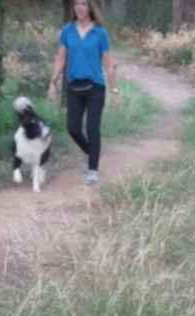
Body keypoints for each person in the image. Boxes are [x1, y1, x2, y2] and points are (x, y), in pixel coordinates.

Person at [48, 0, 119, 185]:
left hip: (95, 88)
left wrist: (115, 90)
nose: (79, 7)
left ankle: (93, 169)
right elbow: (61, 57)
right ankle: (91, 152)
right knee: (72, 128)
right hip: (73, 87)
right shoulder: (67, 31)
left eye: (84, 4)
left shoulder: (100, 33)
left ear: (90, 8)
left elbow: (109, 64)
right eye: (77, 4)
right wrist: (53, 82)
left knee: (92, 128)